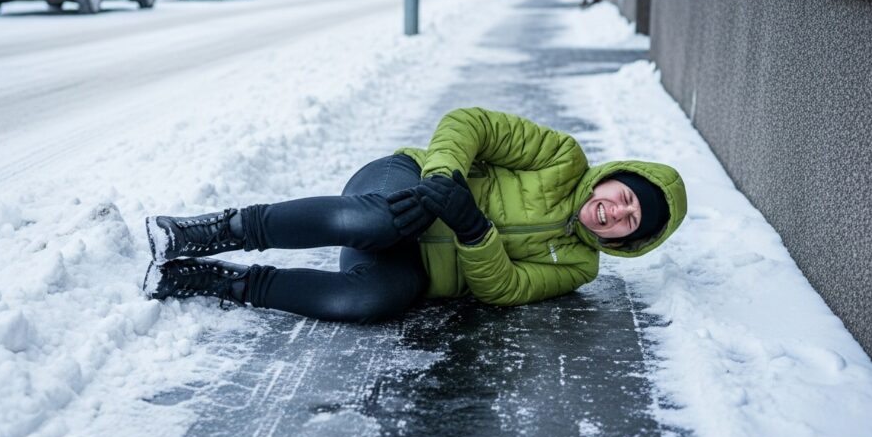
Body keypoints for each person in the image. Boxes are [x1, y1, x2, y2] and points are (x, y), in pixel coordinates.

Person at [142, 107, 687, 323]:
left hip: (418, 271)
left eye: (629, 221)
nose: (616, 211)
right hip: (402, 187)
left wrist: (475, 229)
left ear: (627, 241)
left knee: (368, 300)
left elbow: (507, 288)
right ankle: (215, 230)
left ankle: (224, 284)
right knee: (375, 223)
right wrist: (444, 178)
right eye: (627, 196)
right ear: (615, 177)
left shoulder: (579, 266)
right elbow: (470, 123)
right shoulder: (562, 157)